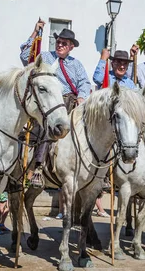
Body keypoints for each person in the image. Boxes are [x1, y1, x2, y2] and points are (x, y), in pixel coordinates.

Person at [19, 20, 91, 187]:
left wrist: (82, 96)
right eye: (58, 41)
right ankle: (38, 167)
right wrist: (35, 32)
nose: (59, 45)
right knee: (48, 123)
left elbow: (84, 83)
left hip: (70, 102)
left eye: (64, 43)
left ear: (71, 46)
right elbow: (25, 57)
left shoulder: (76, 64)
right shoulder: (44, 57)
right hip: (49, 102)